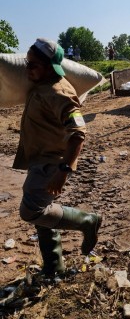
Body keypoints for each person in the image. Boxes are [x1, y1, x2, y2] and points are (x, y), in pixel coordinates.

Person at [13, 38, 101, 277]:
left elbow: (78, 133)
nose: (27, 69)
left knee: (30, 211)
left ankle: (87, 221)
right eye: (26, 64)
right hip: (39, 159)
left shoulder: (58, 92)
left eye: (33, 64)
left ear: (50, 66)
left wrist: (64, 170)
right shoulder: (42, 84)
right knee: (43, 214)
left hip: (50, 163)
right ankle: (54, 266)